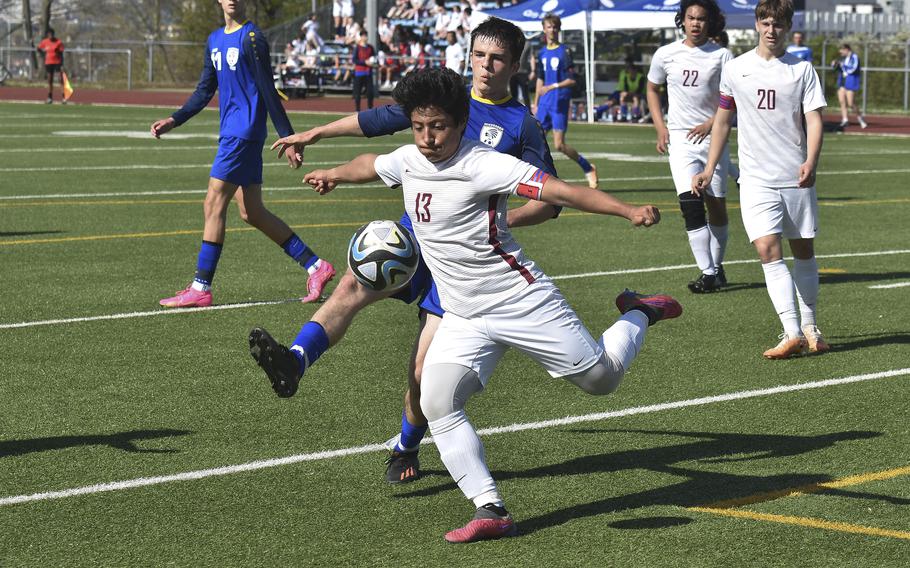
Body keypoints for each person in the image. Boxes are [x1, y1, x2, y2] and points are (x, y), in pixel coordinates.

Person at [302, 68, 681, 543]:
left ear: (461, 122)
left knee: (601, 379)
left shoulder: (486, 165)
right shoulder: (409, 158)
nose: (427, 137)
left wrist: (626, 210)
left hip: (519, 299)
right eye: (419, 127)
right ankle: (491, 508)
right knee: (436, 400)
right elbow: (371, 163)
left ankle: (639, 311)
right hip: (463, 314)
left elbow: (559, 191)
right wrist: (333, 175)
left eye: (437, 126)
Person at [250, 17, 563, 486]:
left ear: (516, 65)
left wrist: (501, 220)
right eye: (478, 55)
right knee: (352, 284)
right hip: (415, 234)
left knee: (422, 366)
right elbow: (376, 120)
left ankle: (405, 444)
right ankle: (294, 361)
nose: (485, 66)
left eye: (496, 58)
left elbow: (551, 203)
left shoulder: (523, 125)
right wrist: (316, 135)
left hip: (464, 259)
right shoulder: (445, 93)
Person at [150, 0, 335, 308]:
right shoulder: (214, 40)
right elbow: (204, 90)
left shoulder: (252, 37)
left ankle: (200, 287)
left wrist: (288, 137)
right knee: (252, 212)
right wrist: (175, 119)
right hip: (235, 132)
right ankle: (316, 266)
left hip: (243, 132)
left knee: (213, 202)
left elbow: (267, 87)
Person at [693, 0, 830, 359]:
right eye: (766, 22)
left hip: (795, 175)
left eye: (778, 24)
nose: (772, 30)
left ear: (788, 27)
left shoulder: (802, 70)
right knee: (767, 250)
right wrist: (709, 168)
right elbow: (722, 120)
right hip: (755, 178)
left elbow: (814, 119)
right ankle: (790, 331)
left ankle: (811, 327)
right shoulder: (736, 68)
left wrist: (811, 161)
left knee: (803, 250)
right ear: (757, 24)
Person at [647, 0, 733, 294]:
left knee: (716, 204)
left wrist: (711, 123)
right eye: (691, 17)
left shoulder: (722, 56)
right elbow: (651, 88)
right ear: (681, 20)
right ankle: (707, 272)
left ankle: (717, 268)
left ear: (710, 23)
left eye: (701, 19)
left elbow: (732, 100)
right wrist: (661, 127)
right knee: (690, 203)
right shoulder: (666, 54)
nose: (696, 23)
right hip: (681, 139)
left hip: (713, 139)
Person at [532, 13, 598, 189]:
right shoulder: (542, 52)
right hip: (544, 103)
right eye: (549, 26)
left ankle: (588, 167)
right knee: (533, 141)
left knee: (559, 145)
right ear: (544, 29)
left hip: (559, 102)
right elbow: (540, 78)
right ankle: (539, 180)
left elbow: (572, 80)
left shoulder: (565, 52)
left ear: (558, 29)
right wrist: (536, 101)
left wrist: (552, 87)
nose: (552, 30)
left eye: (554, 27)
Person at [831, 43, 867, 129]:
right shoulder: (842, 58)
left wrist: (843, 66)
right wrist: (834, 65)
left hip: (850, 82)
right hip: (842, 82)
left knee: (851, 103)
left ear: (847, 49)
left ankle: (860, 118)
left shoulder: (854, 57)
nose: (840, 52)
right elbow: (839, 69)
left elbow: (853, 68)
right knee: (842, 102)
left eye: (842, 50)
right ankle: (845, 119)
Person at [36, 28, 65, 104]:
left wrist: (61, 62)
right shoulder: (45, 42)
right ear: (47, 35)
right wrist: (43, 54)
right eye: (49, 34)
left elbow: (61, 53)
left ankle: (64, 97)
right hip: (48, 62)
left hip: (57, 62)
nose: (50, 36)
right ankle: (50, 97)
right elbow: (38, 48)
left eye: (52, 34)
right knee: (50, 80)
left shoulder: (58, 42)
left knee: (60, 79)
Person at [351, 30, 376, 111]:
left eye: (366, 35)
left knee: (370, 93)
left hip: (368, 73)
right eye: (364, 36)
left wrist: (374, 63)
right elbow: (354, 60)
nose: (365, 37)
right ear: (361, 37)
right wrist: (364, 62)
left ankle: (370, 109)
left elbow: (374, 58)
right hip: (359, 73)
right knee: (357, 93)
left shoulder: (370, 47)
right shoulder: (357, 48)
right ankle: (357, 109)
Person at [617, 56, 645, 122]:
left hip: (640, 94)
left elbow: (640, 89)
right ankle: (624, 116)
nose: (631, 73)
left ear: (635, 70)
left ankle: (635, 116)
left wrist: (632, 93)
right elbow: (626, 89)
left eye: (632, 70)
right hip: (631, 94)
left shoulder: (640, 77)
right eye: (629, 71)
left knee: (635, 98)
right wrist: (626, 93)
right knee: (622, 96)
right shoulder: (627, 77)